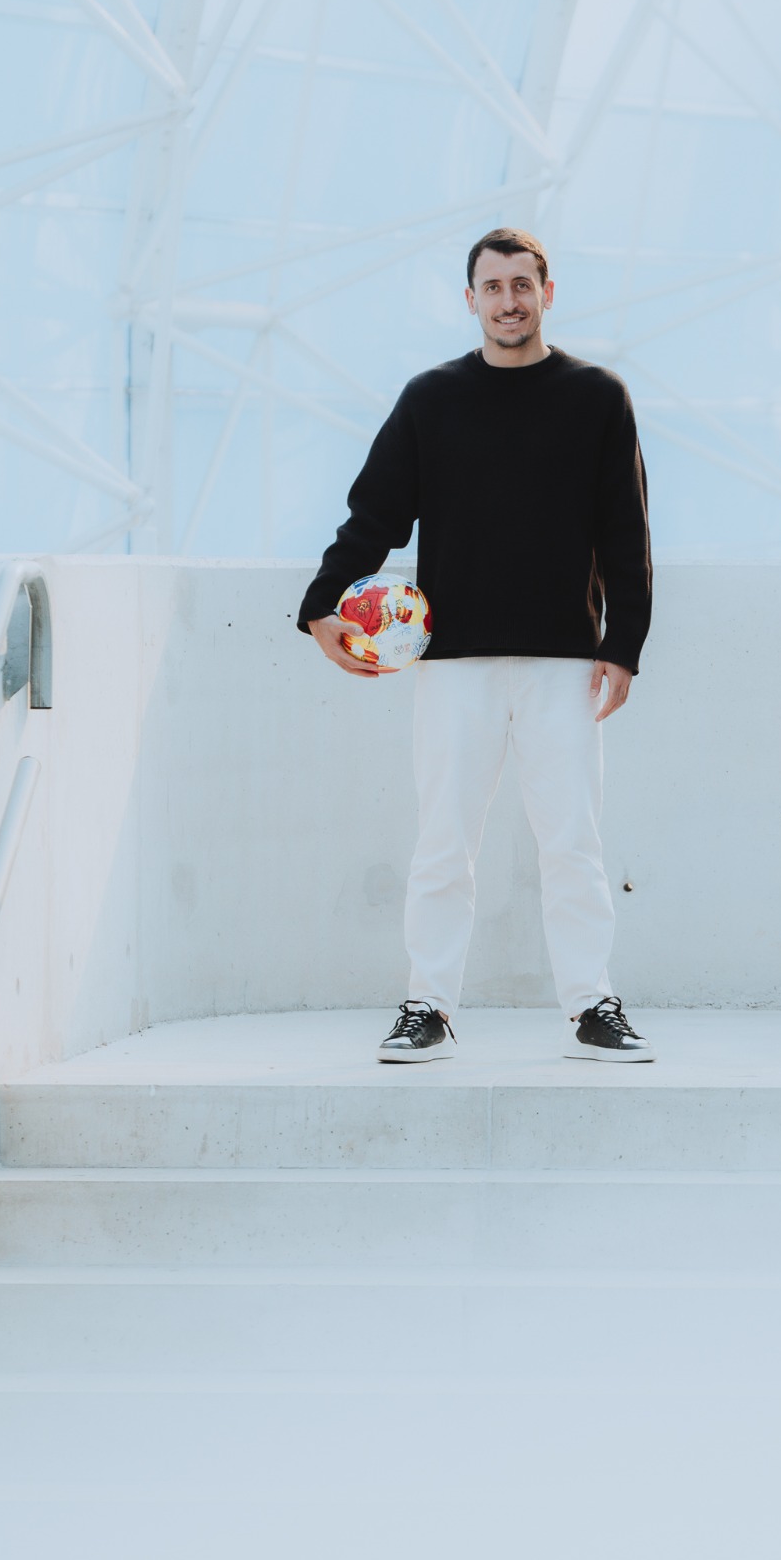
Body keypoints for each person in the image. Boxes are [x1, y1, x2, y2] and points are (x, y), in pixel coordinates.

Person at [298, 228, 653, 1063]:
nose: (508, 301)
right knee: (443, 842)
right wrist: (318, 605)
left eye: (521, 284)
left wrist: (624, 645)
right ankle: (427, 1006)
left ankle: (591, 1005)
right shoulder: (431, 399)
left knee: (572, 843)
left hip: (565, 660)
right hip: (453, 661)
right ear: (470, 300)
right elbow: (375, 515)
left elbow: (626, 531)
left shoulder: (597, 397)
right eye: (492, 287)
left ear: (547, 293)